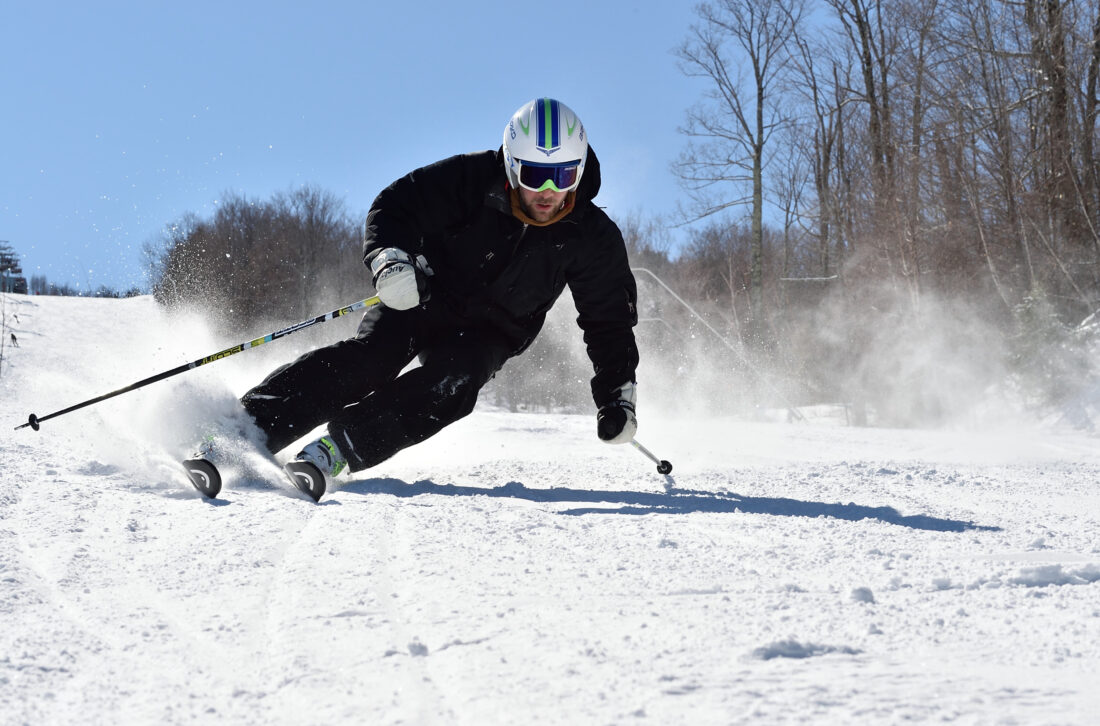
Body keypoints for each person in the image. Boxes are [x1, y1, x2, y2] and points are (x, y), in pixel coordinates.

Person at [237, 98, 640, 499]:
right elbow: (395, 206)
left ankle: (338, 450)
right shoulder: (471, 178)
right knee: (371, 360)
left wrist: (616, 396)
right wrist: (391, 261)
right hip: (425, 296)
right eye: (535, 175)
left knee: (455, 384)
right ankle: (247, 427)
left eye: (563, 175)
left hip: (494, 331)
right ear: (513, 165)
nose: (550, 192)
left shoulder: (592, 237)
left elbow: (609, 320)